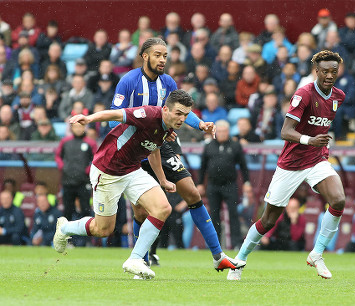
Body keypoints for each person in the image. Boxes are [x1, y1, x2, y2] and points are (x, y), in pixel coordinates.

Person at [54, 90, 245, 278]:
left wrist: (162, 180)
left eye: (185, 115)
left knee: (163, 208)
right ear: (165, 109)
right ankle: (64, 228)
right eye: (178, 113)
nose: (181, 118)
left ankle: (136, 259)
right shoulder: (148, 114)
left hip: (132, 169)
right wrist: (89, 119)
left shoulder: (168, 127)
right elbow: (116, 114)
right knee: (103, 229)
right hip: (107, 170)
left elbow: (154, 150)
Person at [109, 38, 241, 272]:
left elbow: (181, 110)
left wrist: (200, 125)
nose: (162, 60)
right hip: (133, 148)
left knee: (191, 191)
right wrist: (150, 127)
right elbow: (113, 116)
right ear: (145, 56)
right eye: (158, 55)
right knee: (141, 210)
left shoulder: (167, 82)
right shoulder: (128, 81)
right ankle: (141, 260)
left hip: (161, 144)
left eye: (165, 56)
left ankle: (217, 255)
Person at [228, 50, 346, 281]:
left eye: (334, 71)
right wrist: (309, 140)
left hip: (317, 159)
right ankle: (239, 261)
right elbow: (285, 131)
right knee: (269, 219)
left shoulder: (338, 96)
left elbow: (321, 125)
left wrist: (318, 145)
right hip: (291, 164)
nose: (330, 75)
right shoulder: (303, 94)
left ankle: (317, 253)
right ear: (317, 72)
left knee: (338, 200)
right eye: (325, 71)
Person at [197, 120, 251, 249]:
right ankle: (215, 245)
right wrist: (199, 184)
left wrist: (246, 182)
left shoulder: (235, 145)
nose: (221, 134)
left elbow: (243, 166)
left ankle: (237, 243)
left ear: (228, 132)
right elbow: (202, 167)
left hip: (230, 185)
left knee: (233, 214)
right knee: (214, 215)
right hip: (213, 185)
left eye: (224, 131)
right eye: (219, 131)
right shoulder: (209, 146)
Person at [55, 122, 97, 221]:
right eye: (76, 126)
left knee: (85, 211)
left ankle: (86, 236)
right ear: (71, 128)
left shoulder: (90, 143)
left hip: (83, 182)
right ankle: (67, 235)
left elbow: (97, 160)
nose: (78, 129)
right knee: (67, 211)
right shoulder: (65, 141)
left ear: (85, 127)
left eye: (81, 126)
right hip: (67, 181)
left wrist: (87, 170)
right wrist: (63, 167)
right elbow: (58, 156)